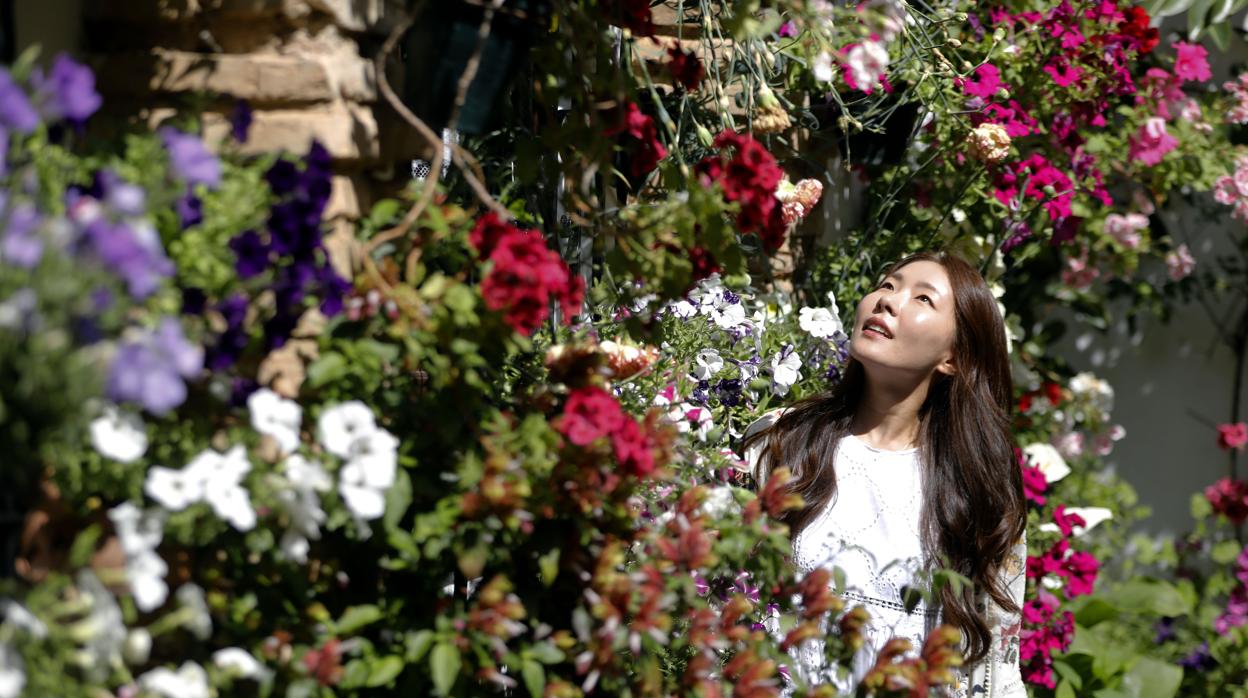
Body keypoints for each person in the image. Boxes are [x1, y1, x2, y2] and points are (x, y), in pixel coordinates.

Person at [744, 251, 1027, 697]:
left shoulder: (976, 492)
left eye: (922, 299)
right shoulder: (782, 442)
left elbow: (999, 667)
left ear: (952, 357)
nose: (888, 301)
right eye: (888, 285)